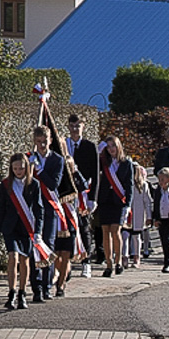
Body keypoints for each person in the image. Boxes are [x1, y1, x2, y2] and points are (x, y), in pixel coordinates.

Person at [0, 153, 44, 310]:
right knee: (13, 257)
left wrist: (38, 232)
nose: (18, 171)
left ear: (27, 167)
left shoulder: (34, 184)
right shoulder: (6, 184)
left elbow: (39, 209)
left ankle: (22, 293)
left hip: (26, 227)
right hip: (10, 228)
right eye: (15, 168)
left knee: (24, 260)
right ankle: (12, 292)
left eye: (21, 168)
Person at [27, 125, 65, 303]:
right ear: (35, 141)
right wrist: (30, 167)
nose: (42, 145)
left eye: (45, 141)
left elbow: (53, 185)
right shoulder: (28, 158)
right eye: (39, 142)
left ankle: (47, 286)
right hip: (33, 208)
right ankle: (35, 287)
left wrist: (40, 170)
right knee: (34, 247)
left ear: (50, 140)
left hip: (49, 209)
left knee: (48, 246)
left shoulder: (57, 159)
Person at [66, 114, 99, 278]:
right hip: (66, 194)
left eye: (78, 125)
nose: (75, 129)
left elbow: (95, 173)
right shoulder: (64, 145)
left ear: (83, 127)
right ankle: (68, 263)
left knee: (84, 227)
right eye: (72, 125)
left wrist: (93, 198)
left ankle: (86, 262)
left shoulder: (89, 146)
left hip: (83, 193)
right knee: (68, 228)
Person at [97, 135, 134, 277]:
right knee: (105, 231)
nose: (111, 149)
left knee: (115, 230)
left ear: (118, 147)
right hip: (105, 200)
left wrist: (128, 205)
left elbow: (129, 185)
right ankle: (109, 263)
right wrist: (99, 149)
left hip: (119, 201)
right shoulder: (103, 162)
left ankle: (118, 261)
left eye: (113, 146)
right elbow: (93, 165)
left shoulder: (126, 163)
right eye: (109, 146)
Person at [53, 156, 89, 297]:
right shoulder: (58, 182)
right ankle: (57, 274)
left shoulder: (76, 182)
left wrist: (76, 172)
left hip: (71, 223)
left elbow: (84, 187)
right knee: (57, 256)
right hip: (58, 223)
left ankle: (61, 286)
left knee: (66, 256)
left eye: (70, 167)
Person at [122, 164, 152, 269]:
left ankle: (136, 257)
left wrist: (149, 216)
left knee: (136, 237)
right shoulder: (124, 184)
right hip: (127, 215)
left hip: (138, 215)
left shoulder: (143, 185)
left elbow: (147, 202)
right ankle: (124, 256)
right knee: (125, 235)